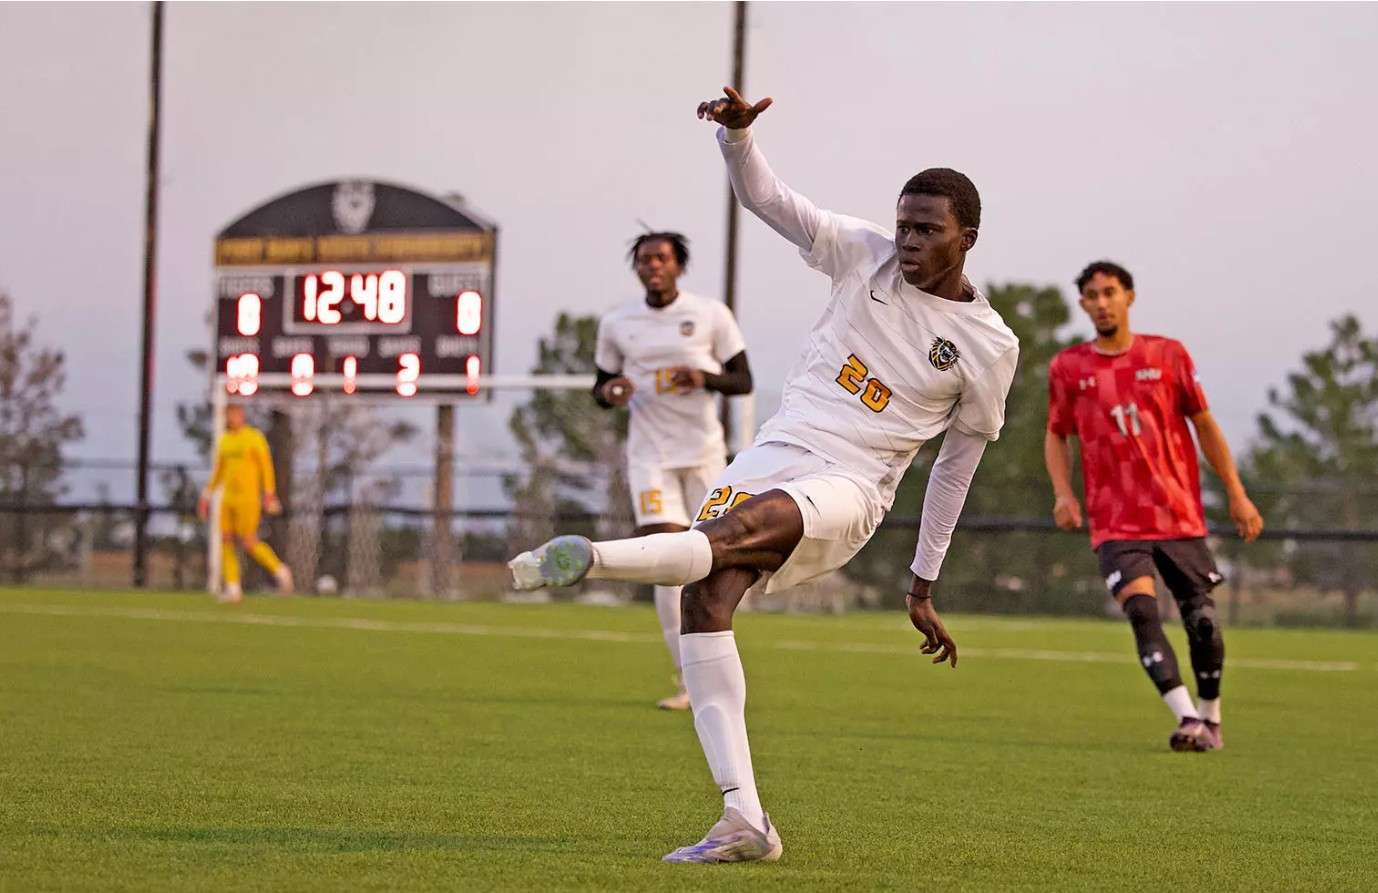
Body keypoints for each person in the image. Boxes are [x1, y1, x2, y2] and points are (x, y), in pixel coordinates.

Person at [509, 87, 1019, 863]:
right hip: (779, 450)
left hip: (851, 486)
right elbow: (768, 199)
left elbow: (956, 466)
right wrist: (739, 137)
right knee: (703, 596)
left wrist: (922, 581)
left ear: (966, 237)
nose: (908, 239)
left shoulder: (987, 346)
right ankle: (743, 818)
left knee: (727, 535)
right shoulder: (862, 251)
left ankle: (596, 558)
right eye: (904, 223)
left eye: (927, 230)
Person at [1044, 260, 1263, 752]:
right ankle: (1188, 719)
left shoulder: (1168, 355)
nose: (1101, 303)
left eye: (1109, 292)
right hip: (1116, 522)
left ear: (1129, 297)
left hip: (1177, 514)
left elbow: (1204, 425)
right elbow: (1056, 434)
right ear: (1082, 304)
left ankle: (1210, 716)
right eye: (1092, 296)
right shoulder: (1069, 368)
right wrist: (1063, 492)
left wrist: (1236, 491)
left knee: (1202, 621)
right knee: (1142, 612)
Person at [593, 230, 754, 711]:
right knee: (667, 563)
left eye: (661, 258)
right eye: (644, 259)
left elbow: (743, 380)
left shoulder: (709, 315)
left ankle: (716, 664)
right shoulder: (619, 322)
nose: (653, 266)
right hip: (650, 457)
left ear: (679, 265)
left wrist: (703, 378)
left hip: (704, 453)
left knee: (708, 560)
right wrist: (612, 393)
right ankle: (689, 681)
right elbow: (600, 388)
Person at [198, 404, 293, 602]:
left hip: (248, 499)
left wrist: (269, 493)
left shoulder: (253, 438)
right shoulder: (225, 441)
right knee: (226, 540)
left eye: (235, 414)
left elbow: (266, 466)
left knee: (249, 542)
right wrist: (207, 494)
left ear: (241, 415)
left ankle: (280, 570)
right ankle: (233, 588)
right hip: (228, 499)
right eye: (229, 415)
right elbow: (219, 472)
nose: (232, 418)